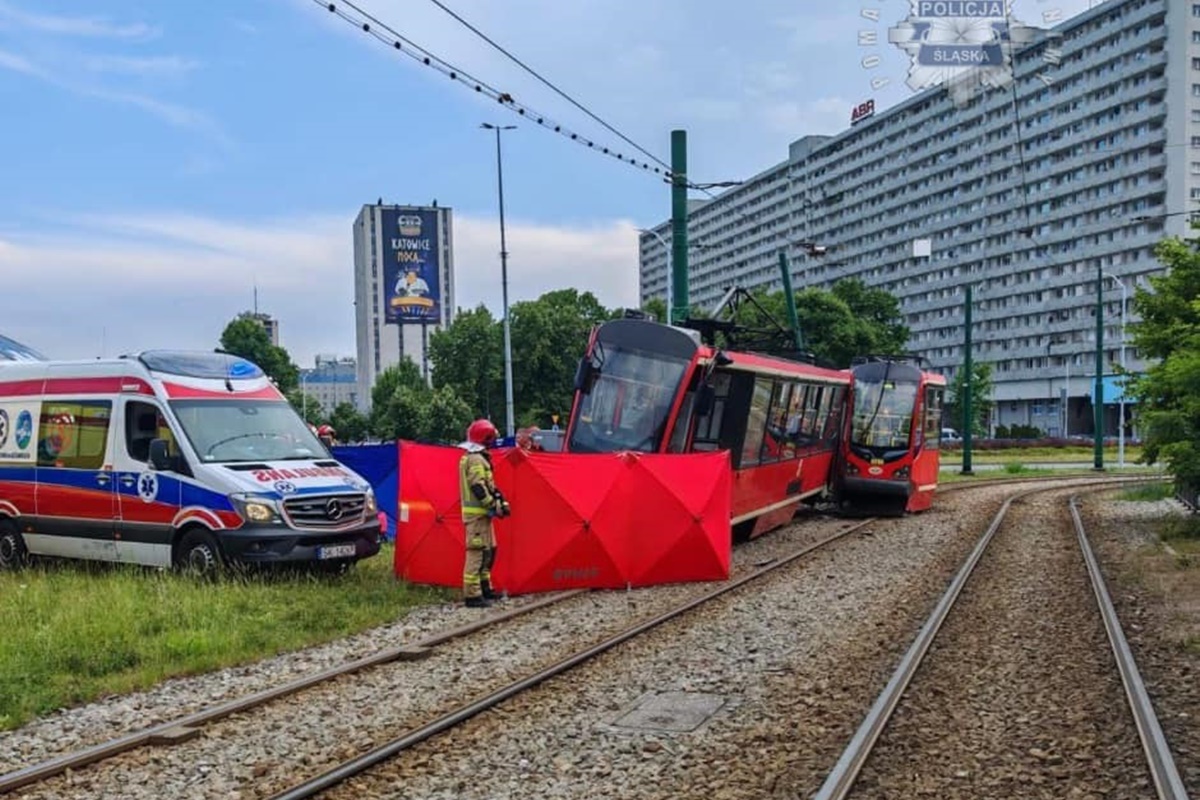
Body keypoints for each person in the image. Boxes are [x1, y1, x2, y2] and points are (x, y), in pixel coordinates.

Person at [458, 418, 510, 608]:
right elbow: (478, 486)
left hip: (484, 516)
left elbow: (490, 486)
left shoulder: (480, 457)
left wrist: (500, 501)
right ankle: (472, 595)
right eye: (491, 438)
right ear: (484, 438)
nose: (493, 442)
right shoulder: (475, 459)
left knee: (490, 550)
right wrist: (492, 505)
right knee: (477, 553)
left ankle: (484, 588)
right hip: (477, 516)